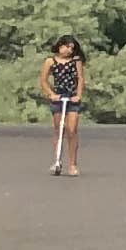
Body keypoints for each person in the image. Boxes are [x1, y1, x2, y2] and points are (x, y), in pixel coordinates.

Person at [43, 37, 86, 175]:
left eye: (72, 48)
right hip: (58, 97)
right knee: (59, 129)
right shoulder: (50, 61)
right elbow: (43, 80)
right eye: (67, 47)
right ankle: (57, 160)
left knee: (71, 130)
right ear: (60, 46)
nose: (69, 50)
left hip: (72, 98)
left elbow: (80, 78)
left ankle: (73, 164)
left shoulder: (76, 61)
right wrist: (51, 94)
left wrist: (78, 95)